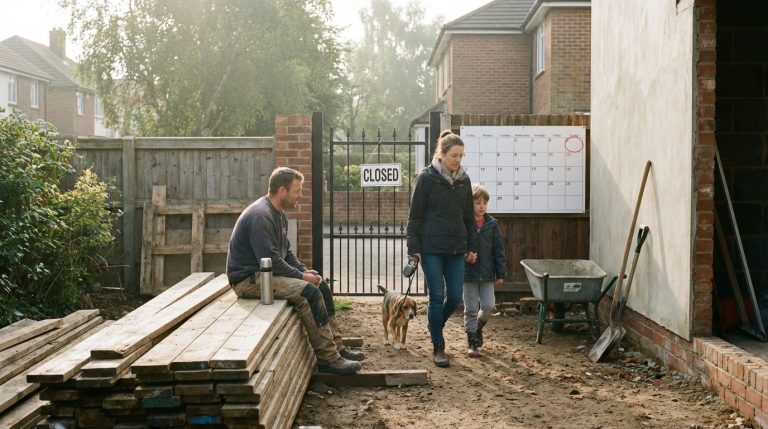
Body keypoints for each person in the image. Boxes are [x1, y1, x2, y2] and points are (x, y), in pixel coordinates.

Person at [226, 167, 365, 375]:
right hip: (249, 280)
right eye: (297, 191)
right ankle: (328, 359)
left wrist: (306, 272)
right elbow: (271, 261)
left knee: (321, 286)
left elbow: (286, 253)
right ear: (282, 190)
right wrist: (301, 277)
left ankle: (338, 348)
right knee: (309, 292)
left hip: (266, 274)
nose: (300, 195)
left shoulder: (279, 214)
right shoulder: (261, 216)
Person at [407, 130, 477, 367]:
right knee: (436, 296)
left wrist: (472, 245)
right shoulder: (426, 178)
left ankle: (434, 325)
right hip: (431, 248)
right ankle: (438, 345)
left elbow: (469, 217)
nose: (458, 159)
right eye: (454, 155)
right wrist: (413, 248)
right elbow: (415, 216)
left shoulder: (464, 180)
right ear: (442, 154)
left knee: (455, 296)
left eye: (461, 155)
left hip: (456, 247)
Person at [463, 185, 507, 357]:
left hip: (487, 274)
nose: (482, 206)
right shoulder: (464, 224)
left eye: (485, 203)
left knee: (488, 305)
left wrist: (500, 273)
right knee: (471, 308)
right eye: (477, 203)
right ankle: (472, 343)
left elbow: (499, 250)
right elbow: (458, 246)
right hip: (468, 275)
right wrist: (466, 256)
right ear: (470, 204)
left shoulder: (492, 225)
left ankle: (478, 328)